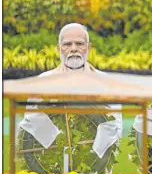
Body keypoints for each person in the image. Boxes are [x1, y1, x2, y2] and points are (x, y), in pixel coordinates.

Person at [19, 23, 122, 160]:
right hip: (53, 165)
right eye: (67, 44)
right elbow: (31, 119)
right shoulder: (43, 81)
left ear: (88, 48)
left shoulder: (106, 82)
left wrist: (90, 153)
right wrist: (61, 143)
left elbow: (114, 124)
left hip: (95, 168)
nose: (74, 49)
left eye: (79, 43)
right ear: (58, 48)